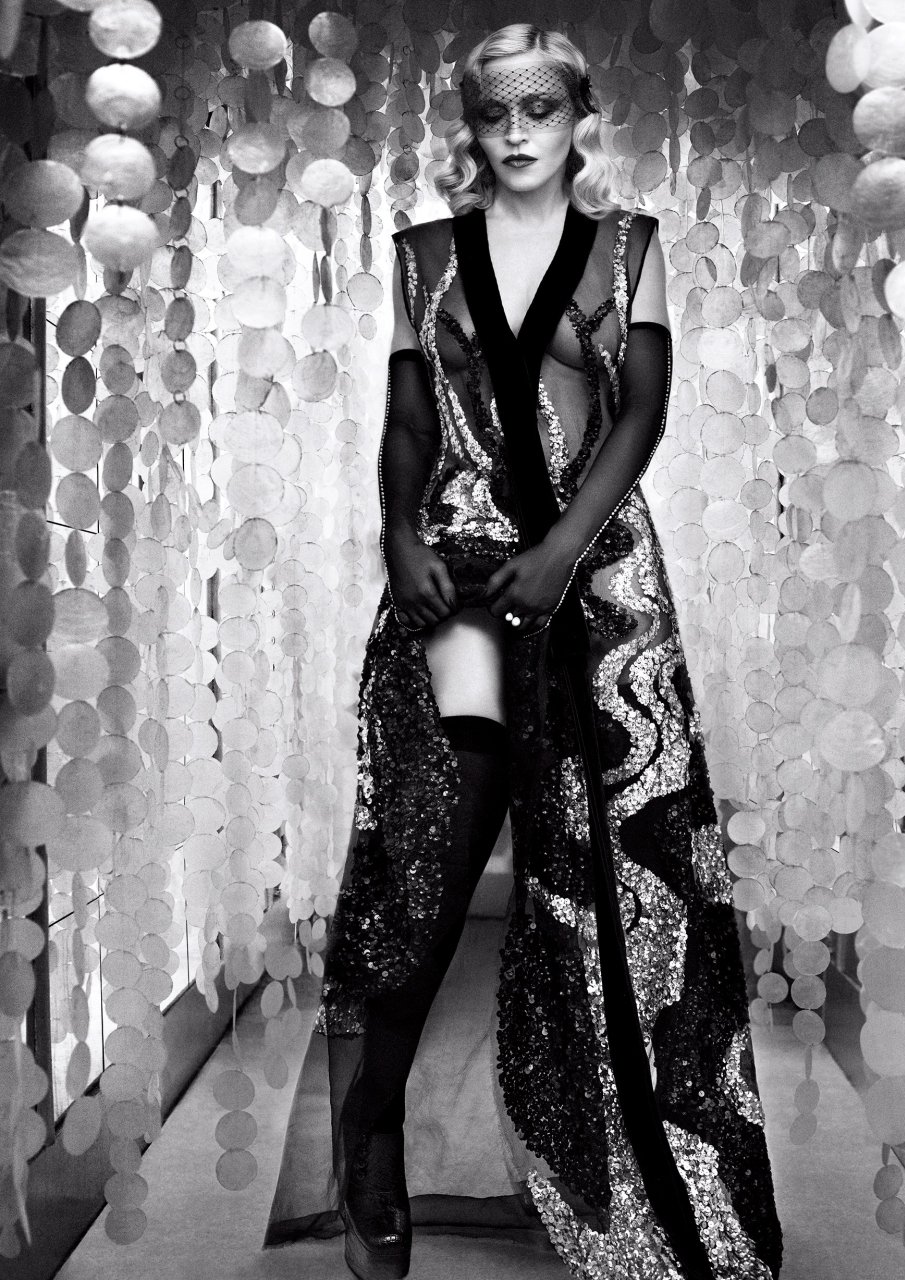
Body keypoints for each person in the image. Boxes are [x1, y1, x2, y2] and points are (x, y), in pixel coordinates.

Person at [268, 22, 783, 1280]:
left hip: (598, 590)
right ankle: (371, 1127)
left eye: (540, 107)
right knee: (429, 852)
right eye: (495, 110)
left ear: (577, 118)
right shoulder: (423, 256)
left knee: (629, 883)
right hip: (460, 576)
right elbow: (406, 419)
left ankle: (646, 1176)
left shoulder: (629, 247)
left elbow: (642, 413)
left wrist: (564, 549)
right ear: (470, 122)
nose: (516, 131)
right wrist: (398, 533)